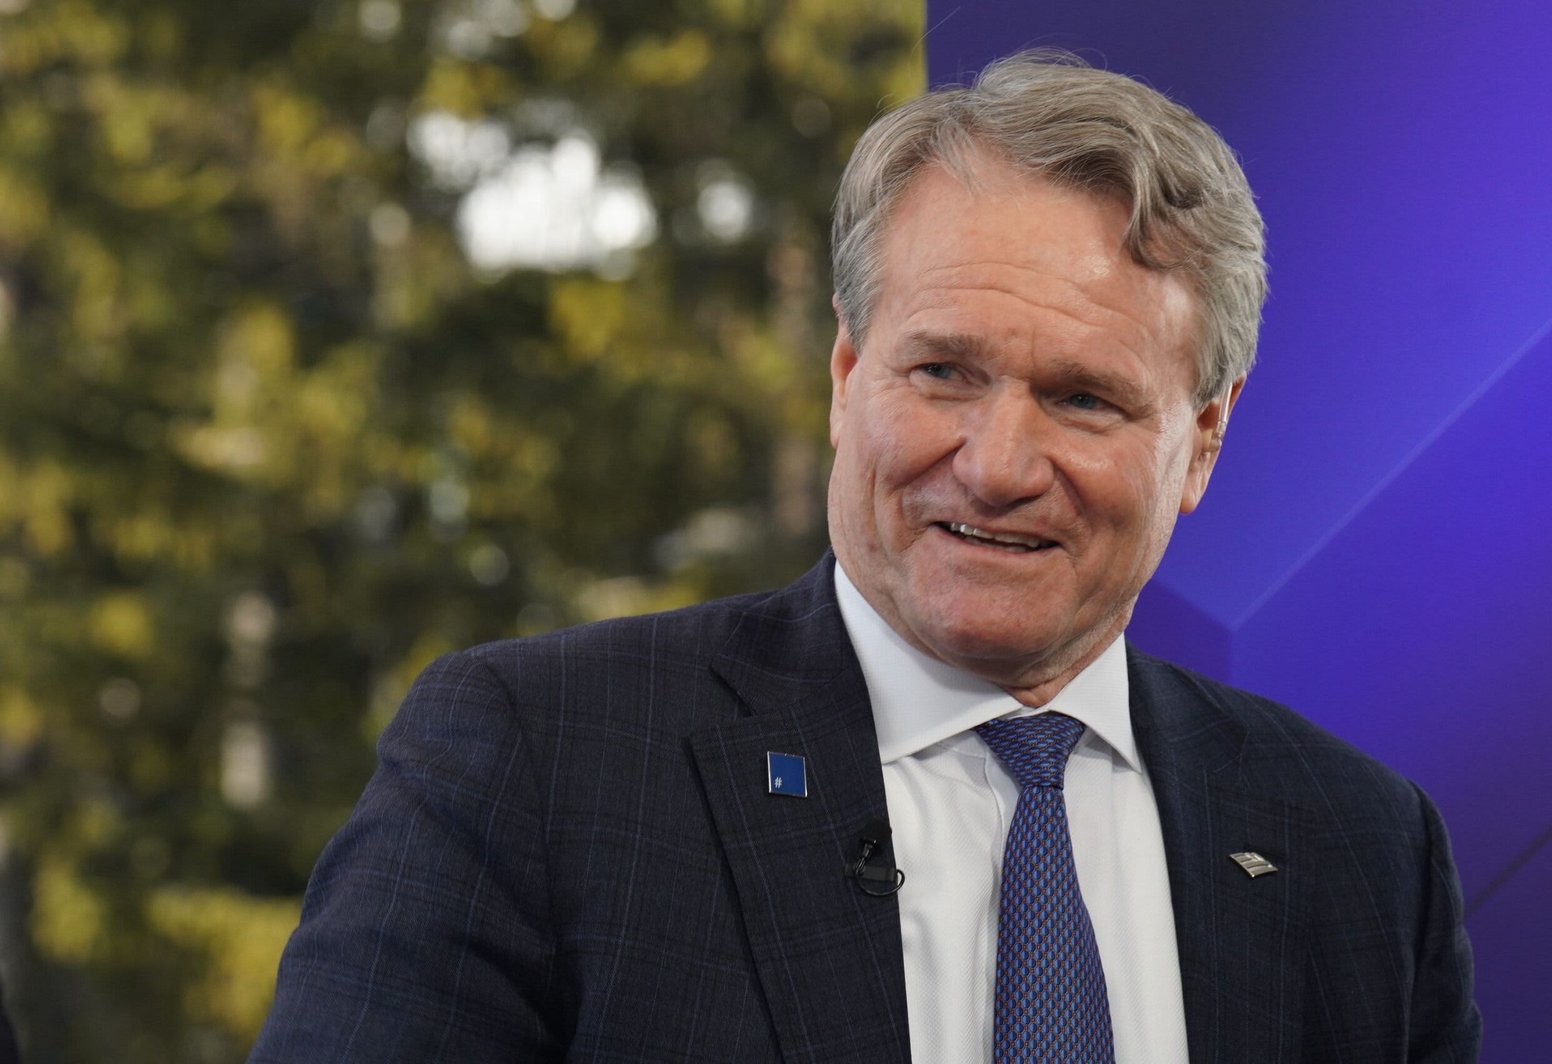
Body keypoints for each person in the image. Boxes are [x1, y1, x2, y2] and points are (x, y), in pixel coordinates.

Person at [251, 52, 1481, 1062]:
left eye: (1083, 398)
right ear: (847, 374)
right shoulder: (539, 758)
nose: (996, 463)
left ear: (1202, 439)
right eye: (942, 370)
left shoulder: (1362, 850)